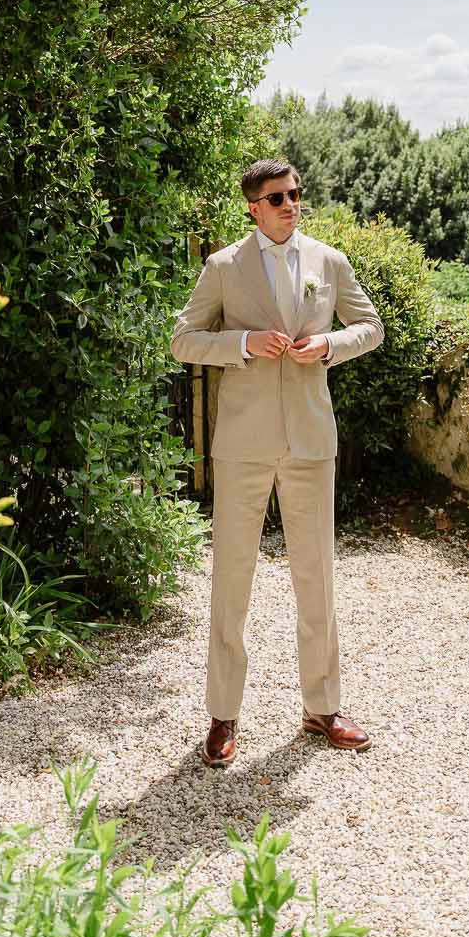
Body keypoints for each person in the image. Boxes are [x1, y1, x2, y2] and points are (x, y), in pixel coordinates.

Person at [170, 159, 384, 767]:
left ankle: (323, 707)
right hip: (242, 444)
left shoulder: (328, 260)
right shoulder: (223, 268)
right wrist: (240, 344)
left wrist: (329, 346)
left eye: (295, 194)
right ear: (252, 206)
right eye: (277, 197)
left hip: (312, 442)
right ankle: (222, 717)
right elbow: (183, 339)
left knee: (316, 577)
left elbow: (371, 327)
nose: (291, 204)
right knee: (232, 580)